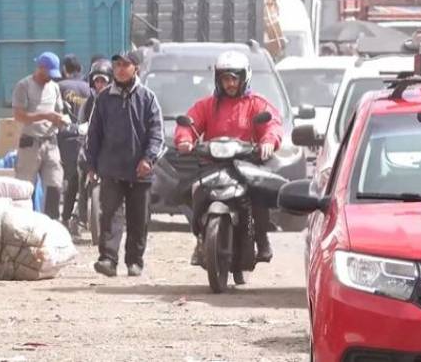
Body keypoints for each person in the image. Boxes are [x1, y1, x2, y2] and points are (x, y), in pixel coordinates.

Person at [174, 50, 283, 266]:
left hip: (246, 164)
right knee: (191, 191)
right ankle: (200, 238)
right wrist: (185, 140)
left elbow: (272, 124)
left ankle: (262, 239)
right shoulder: (207, 105)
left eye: (234, 78)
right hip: (213, 164)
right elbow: (189, 123)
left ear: (244, 78)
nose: (230, 84)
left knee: (259, 194)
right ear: (218, 80)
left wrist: (269, 141)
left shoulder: (257, 104)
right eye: (225, 79)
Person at [85, 50, 164, 277]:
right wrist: (91, 164)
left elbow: (156, 134)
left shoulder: (147, 98)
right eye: (117, 65)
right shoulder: (104, 99)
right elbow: (94, 134)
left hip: (140, 171)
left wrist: (148, 159)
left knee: (138, 218)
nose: (119, 69)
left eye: (125, 65)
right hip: (111, 169)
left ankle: (134, 261)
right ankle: (108, 259)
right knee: (109, 215)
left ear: (135, 68)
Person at [12, 52, 68, 219]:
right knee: (24, 189)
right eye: (48, 74)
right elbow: (19, 116)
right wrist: (45, 116)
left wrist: (59, 120)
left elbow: (59, 111)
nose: (50, 78)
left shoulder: (54, 87)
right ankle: (23, 224)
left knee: (54, 184)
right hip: (30, 143)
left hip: (50, 142)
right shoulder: (24, 86)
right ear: (40, 68)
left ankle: (51, 223)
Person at [77, 62, 125, 251]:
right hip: (94, 148)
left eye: (103, 81)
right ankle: (80, 216)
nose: (99, 85)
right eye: (96, 81)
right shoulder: (89, 103)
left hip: (115, 149)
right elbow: (81, 122)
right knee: (78, 174)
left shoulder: (119, 100)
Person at [58, 55, 93, 236]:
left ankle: (65, 218)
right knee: (82, 180)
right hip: (85, 137)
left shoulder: (60, 87)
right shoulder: (89, 89)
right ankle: (80, 218)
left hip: (66, 138)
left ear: (65, 69)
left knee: (70, 179)